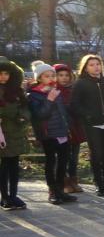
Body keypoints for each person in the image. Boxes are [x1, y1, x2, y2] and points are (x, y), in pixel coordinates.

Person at [70, 54, 104, 197]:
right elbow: (74, 104)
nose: (96, 67)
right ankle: (99, 185)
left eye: (98, 64)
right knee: (97, 154)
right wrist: (87, 115)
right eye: (92, 65)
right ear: (85, 68)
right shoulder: (80, 84)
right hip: (91, 125)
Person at [27, 61, 77, 205]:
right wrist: (49, 99)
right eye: (46, 76)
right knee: (51, 162)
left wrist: (68, 125)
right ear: (39, 78)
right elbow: (40, 115)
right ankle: (53, 192)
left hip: (62, 132)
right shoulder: (34, 95)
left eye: (52, 75)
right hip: (48, 134)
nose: (51, 78)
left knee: (63, 162)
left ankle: (61, 190)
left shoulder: (55, 90)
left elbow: (62, 111)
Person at [0, 57, 31, 210]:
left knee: (14, 165)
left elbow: (25, 107)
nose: (3, 77)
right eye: (0, 73)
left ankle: (13, 195)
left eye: (6, 73)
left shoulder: (16, 90)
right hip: (2, 134)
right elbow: (8, 109)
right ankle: (5, 197)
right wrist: (14, 111)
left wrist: (22, 116)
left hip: (16, 132)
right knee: (4, 166)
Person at [54, 63, 86, 193]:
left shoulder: (74, 90)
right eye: (60, 75)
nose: (64, 78)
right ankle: (64, 182)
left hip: (75, 127)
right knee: (62, 157)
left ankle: (73, 180)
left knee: (74, 157)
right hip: (60, 128)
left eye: (67, 75)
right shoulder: (53, 90)